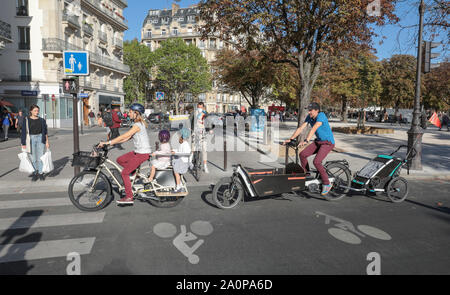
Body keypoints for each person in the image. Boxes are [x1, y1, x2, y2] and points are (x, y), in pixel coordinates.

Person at [98, 103, 151, 205]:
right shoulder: (138, 124)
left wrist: (107, 143)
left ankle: (129, 197)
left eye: (130, 112)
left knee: (124, 173)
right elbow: (126, 138)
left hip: (142, 153)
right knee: (120, 160)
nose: (129, 113)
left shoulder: (137, 125)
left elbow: (124, 135)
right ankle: (134, 173)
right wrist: (112, 143)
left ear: (136, 113)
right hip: (138, 152)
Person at [283, 102, 335, 196]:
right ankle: (307, 174)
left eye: (311, 110)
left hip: (327, 143)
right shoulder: (309, 117)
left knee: (316, 162)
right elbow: (300, 128)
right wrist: (290, 139)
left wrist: (306, 140)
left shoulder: (321, 116)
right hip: (319, 142)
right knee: (302, 154)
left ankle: (327, 183)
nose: (309, 112)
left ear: (317, 110)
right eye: (309, 110)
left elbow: (314, 128)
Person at [21, 105, 50, 181]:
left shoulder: (42, 120)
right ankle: (35, 173)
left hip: (40, 138)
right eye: (35, 110)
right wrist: (23, 143)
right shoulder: (26, 120)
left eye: (37, 110)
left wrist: (47, 142)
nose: (37, 112)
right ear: (31, 111)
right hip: (31, 139)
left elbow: (45, 132)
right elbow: (24, 132)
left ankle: (40, 173)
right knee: (33, 158)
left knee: (40, 157)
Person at [171, 128, 191, 193]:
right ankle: (180, 184)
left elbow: (185, 153)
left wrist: (175, 152)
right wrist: (174, 151)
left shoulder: (185, 144)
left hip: (183, 162)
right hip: (182, 160)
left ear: (182, 136)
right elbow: (180, 151)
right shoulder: (183, 144)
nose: (179, 136)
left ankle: (178, 186)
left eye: (180, 135)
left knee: (176, 171)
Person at [192, 102, 209, 173]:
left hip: (203, 133)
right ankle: (191, 163)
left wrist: (210, 129)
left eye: (201, 107)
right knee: (193, 147)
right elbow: (190, 121)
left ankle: (205, 166)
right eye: (198, 107)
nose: (199, 108)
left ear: (203, 107)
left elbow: (209, 122)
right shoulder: (194, 113)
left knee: (204, 149)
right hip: (195, 132)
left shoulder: (205, 113)